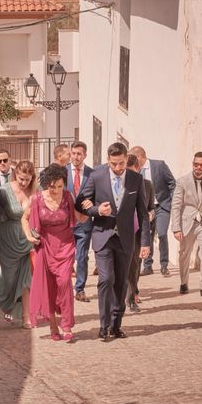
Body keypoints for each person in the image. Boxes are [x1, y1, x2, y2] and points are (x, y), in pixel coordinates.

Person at [76, 143, 151, 340]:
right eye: (113, 164)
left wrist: (145, 242)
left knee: (121, 283)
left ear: (127, 159)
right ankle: (103, 324)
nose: (117, 168)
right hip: (103, 236)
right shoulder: (97, 176)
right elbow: (81, 202)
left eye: (121, 164)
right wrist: (97, 210)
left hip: (126, 239)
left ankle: (116, 325)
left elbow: (143, 213)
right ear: (108, 160)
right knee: (106, 279)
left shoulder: (136, 179)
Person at [23, 164, 76, 341]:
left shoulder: (68, 197)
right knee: (49, 288)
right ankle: (54, 326)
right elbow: (24, 218)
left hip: (65, 245)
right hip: (44, 247)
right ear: (47, 184)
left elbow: (79, 216)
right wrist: (29, 236)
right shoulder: (37, 199)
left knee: (64, 282)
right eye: (52, 186)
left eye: (60, 186)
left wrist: (94, 209)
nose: (56, 190)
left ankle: (67, 324)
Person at [171, 152, 202, 298]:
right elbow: (176, 206)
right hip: (187, 224)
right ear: (193, 164)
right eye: (196, 164)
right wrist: (176, 228)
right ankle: (184, 282)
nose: (199, 167)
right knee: (184, 254)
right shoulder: (182, 181)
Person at [0, 160, 36, 328]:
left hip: (27, 238)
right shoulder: (5, 190)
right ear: (15, 175)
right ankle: (9, 305)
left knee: (26, 278)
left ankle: (27, 316)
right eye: (21, 179)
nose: (24, 183)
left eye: (27, 179)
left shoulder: (35, 191)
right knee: (9, 277)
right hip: (7, 238)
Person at [132, 146, 175, 277]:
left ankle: (164, 265)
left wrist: (172, 201)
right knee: (147, 235)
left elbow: (172, 183)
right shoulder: (135, 171)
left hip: (162, 206)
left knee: (161, 234)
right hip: (145, 208)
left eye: (133, 158)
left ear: (139, 156)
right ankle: (147, 266)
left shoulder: (159, 165)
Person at [126, 153, 155, 311]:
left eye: (132, 171)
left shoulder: (147, 185)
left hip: (138, 232)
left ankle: (131, 298)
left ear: (138, 169)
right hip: (121, 231)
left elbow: (151, 206)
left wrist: (151, 213)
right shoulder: (118, 184)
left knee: (134, 266)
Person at [66, 141, 94, 303]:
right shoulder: (63, 172)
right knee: (66, 256)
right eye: (73, 153)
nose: (76, 157)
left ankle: (80, 289)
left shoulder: (92, 173)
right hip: (66, 222)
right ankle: (63, 288)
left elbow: (97, 194)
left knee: (82, 256)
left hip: (84, 222)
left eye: (79, 154)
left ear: (85, 155)